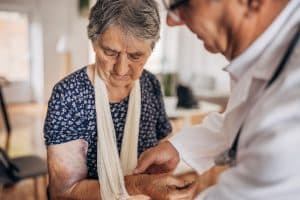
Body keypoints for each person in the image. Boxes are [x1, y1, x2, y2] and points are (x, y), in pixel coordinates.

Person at [134, 0, 300, 199]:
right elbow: (240, 121)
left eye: (182, 4)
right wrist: (178, 148)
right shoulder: (266, 55)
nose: (171, 21)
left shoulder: (292, 105)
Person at [44, 0, 198, 199]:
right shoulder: (68, 96)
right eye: (110, 52)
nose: (121, 70)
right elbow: (63, 193)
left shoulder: (150, 84)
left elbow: (164, 148)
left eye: (135, 56)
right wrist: (138, 185)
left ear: (151, 50)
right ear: (93, 42)